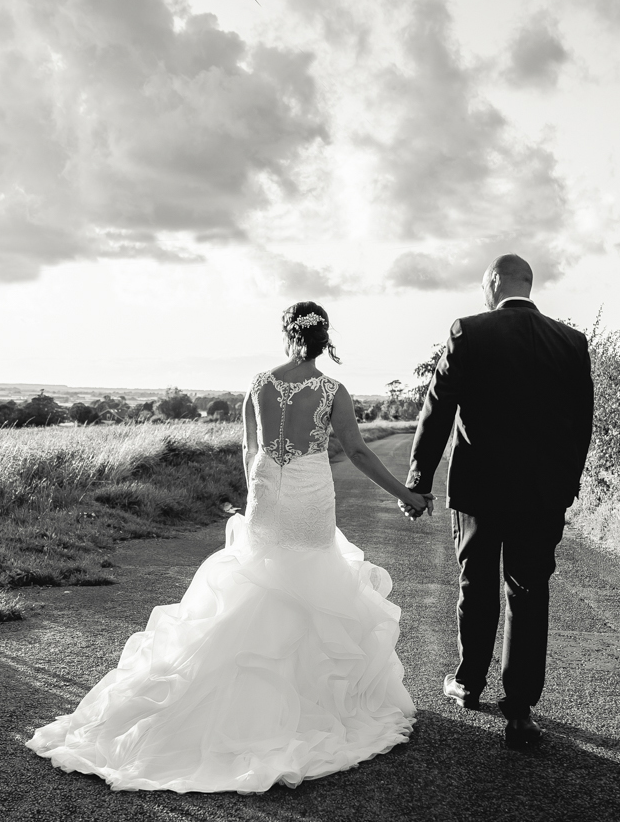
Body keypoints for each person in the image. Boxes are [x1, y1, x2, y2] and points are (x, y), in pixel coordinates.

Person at [26, 301, 433, 793]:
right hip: (307, 495)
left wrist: (256, 496)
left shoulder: (259, 384)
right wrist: (407, 494)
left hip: (265, 492)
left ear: (287, 335)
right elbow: (358, 451)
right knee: (309, 578)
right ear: (326, 339)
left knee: (260, 578)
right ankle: (306, 702)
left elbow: (248, 447)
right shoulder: (332, 390)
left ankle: (227, 701)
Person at [403, 254, 594, 749]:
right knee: (529, 592)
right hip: (542, 495)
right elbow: (582, 424)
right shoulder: (572, 343)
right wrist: (566, 484)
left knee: (476, 583)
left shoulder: (469, 332)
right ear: (528, 285)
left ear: (493, 283)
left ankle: (468, 683)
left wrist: (419, 480)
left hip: (479, 492)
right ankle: (521, 710)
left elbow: (437, 411)